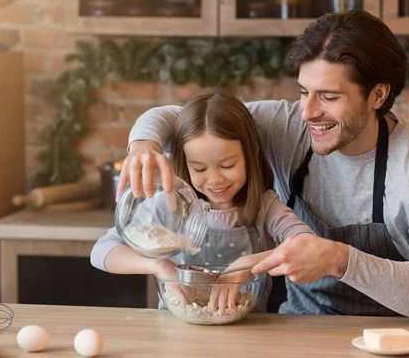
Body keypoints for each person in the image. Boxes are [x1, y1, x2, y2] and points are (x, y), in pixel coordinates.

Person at [116, 10, 409, 324]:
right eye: (303, 92)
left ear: (377, 95)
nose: (308, 112)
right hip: (299, 329)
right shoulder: (285, 126)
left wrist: (338, 259)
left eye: (329, 97)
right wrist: (144, 145)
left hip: (390, 337)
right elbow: (182, 118)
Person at [90, 90, 315, 314]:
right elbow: (101, 251)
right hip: (177, 337)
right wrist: (158, 266)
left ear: (252, 155)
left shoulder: (265, 207)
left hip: (248, 336)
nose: (215, 179)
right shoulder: (169, 204)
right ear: (184, 162)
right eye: (199, 168)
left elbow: (309, 246)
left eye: (227, 165)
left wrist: (247, 265)